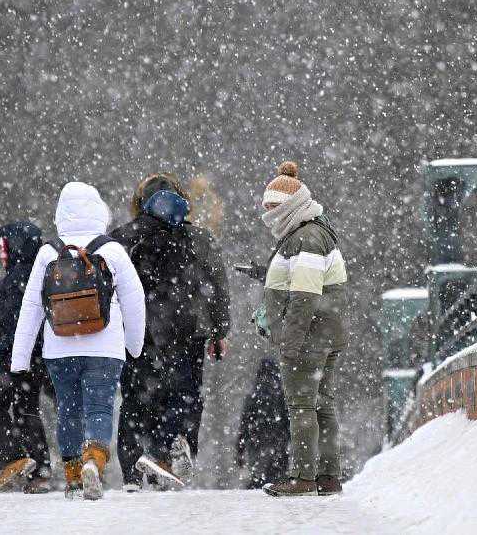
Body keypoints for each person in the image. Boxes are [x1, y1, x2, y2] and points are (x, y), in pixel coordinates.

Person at [11, 182, 145, 500]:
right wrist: (134, 344)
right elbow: (134, 299)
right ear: (98, 211)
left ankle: (72, 474)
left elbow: (30, 305)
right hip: (105, 345)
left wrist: (20, 356)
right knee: (100, 408)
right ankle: (93, 463)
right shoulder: (111, 249)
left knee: (68, 411)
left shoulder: (48, 252)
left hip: (59, 346)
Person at [111, 173, 231, 490]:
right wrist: (220, 331)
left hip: (138, 333)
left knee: (137, 399)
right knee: (185, 394)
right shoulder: (201, 239)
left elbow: (107, 286)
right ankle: (176, 444)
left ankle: (134, 469)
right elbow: (217, 286)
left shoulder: (123, 238)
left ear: (140, 204)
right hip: (188, 330)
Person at [255, 161, 348, 497]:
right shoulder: (311, 232)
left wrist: (289, 343)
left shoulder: (305, 238)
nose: (267, 215)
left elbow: (305, 297)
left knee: (302, 406)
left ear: (288, 207)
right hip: (326, 333)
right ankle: (328, 475)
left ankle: (303, 477)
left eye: (272, 208)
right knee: (322, 402)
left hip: (308, 339)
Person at [0, 221, 54, 493]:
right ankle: (40, 471)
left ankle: (13, 458)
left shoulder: (14, 281)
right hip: (37, 357)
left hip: (14, 357)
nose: (1, 251)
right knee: (27, 410)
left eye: (5, 245)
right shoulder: (40, 274)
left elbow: (11, 325)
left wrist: (0, 352)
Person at [236, 357, 290, 489]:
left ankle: (257, 491)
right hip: (278, 441)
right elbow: (288, 420)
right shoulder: (282, 393)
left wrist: (240, 448)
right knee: (277, 478)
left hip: (257, 441)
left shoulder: (254, 394)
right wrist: (288, 438)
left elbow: (245, 423)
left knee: (258, 479)